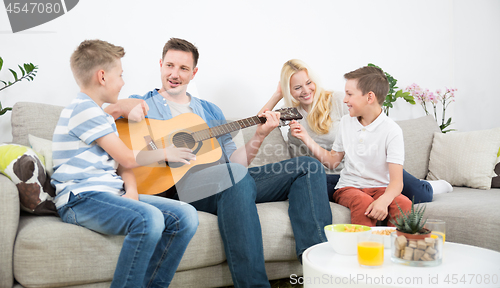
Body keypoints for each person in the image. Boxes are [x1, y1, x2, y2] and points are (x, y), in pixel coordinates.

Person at [104, 38, 332, 288]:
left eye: (183, 68)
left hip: (223, 179)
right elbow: (104, 116)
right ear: (160, 65)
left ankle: (317, 270)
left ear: (194, 73)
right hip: (175, 186)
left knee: (307, 166)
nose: (175, 74)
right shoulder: (143, 104)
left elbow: (237, 162)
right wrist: (125, 107)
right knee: (234, 176)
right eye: (169, 65)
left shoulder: (210, 112)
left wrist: (259, 135)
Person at [51, 39, 198, 288]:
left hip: (110, 193)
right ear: (102, 77)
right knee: (148, 219)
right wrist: (165, 152)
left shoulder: (102, 116)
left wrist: (131, 191)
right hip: (80, 199)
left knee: (185, 215)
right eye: (120, 75)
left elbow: (122, 165)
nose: (123, 82)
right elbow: (128, 157)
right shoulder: (82, 110)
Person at [260, 59, 452, 204]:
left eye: (309, 83)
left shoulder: (337, 101)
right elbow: (258, 121)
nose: (306, 90)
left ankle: (431, 185)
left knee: (421, 195)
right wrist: (278, 93)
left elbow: (370, 126)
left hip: (366, 169)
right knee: (306, 189)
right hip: (336, 177)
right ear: (289, 91)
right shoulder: (291, 113)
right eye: (297, 87)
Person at [288, 65, 413, 226]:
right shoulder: (347, 122)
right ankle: (362, 249)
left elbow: (397, 182)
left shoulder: (392, 130)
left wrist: (384, 201)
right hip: (349, 187)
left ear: (369, 98)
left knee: (404, 204)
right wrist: (305, 137)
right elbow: (333, 161)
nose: (345, 99)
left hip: (381, 187)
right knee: (363, 202)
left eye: (349, 94)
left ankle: (396, 249)